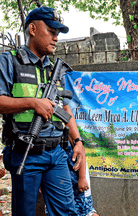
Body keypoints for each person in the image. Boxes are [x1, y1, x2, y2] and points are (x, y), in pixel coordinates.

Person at [0, 6, 85, 216]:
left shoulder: (54, 68)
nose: (56, 38)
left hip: (56, 153)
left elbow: (65, 109)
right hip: (25, 152)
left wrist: (78, 141)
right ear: (33, 29)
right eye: (51, 31)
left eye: (57, 34)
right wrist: (33, 102)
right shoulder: (10, 61)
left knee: (67, 212)